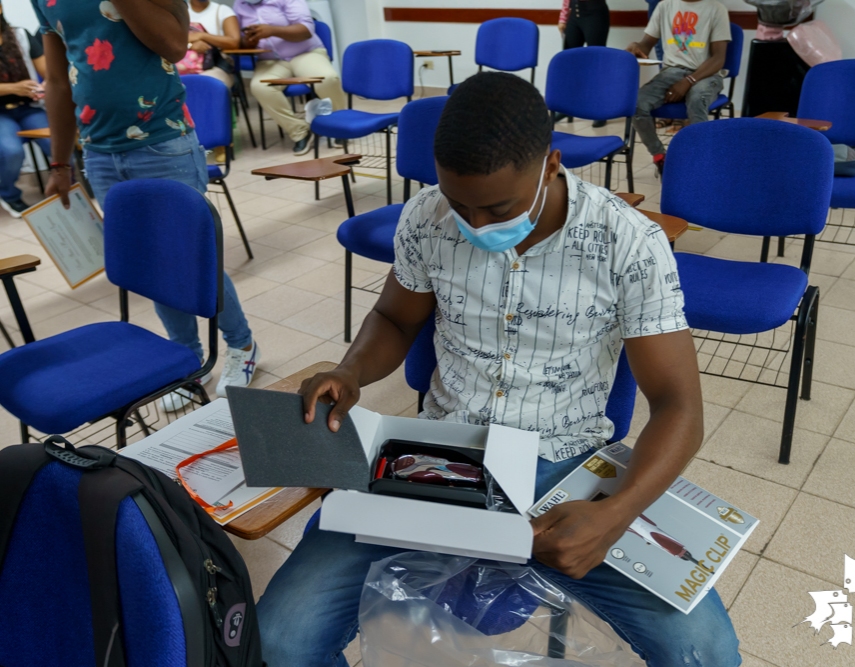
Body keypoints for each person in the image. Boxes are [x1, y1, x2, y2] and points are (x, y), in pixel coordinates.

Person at [256, 72, 741, 667]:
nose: (477, 225)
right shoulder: (427, 219)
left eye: (498, 207)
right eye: (460, 203)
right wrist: (352, 370)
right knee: (280, 639)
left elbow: (679, 406)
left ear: (552, 164)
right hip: (435, 460)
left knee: (708, 653)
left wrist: (616, 514)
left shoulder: (627, 242)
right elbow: (393, 318)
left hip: (562, 466)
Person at [32, 0, 260, 409]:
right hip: (99, 152)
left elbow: (174, 45)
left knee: (190, 256)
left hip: (163, 140)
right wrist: (60, 162)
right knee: (152, 263)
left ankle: (242, 344)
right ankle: (187, 357)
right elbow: (59, 83)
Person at [627, 0, 731, 175]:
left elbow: (718, 59)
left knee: (697, 99)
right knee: (636, 104)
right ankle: (661, 157)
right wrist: (637, 47)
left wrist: (688, 81)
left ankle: (700, 161)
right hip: (672, 72)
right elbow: (647, 43)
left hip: (707, 73)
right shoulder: (664, 6)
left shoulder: (716, 9)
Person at [234, 0, 347, 156]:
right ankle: (300, 132)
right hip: (270, 60)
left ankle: (341, 125)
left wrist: (272, 30)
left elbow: (306, 29)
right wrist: (249, 41)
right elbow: (240, 39)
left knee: (328, 78)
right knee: (259, 87)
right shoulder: (240, 5)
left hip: (305, 53)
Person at [0, 2, 48, 218]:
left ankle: (69, 188)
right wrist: (14, 88)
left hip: (29, 107)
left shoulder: (20, 35)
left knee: (58, 144)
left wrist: (46, 85)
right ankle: (9, 195)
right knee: (11, 151)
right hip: (1, 113)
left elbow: (48, 72)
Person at [557, 0, 610, 128]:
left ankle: (600, 111)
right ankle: (567, 108)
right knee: (570, 62)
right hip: (575, 13)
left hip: (595, 13)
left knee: (596, 63)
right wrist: (563, 18)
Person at [186, 0, 241, 88]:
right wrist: (190, 46)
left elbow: (234, 42)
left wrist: (202, 36)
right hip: (181, 65)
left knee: (205, 84)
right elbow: (169, 40)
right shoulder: (180, 11)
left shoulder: (223, 11)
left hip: (215, 66)